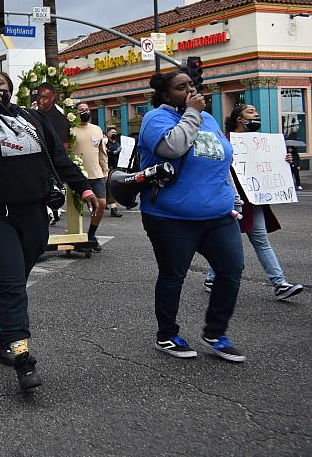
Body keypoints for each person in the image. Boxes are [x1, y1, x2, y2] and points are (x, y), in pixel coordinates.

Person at [0, 70, 98, 391]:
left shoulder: (31, 118)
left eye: (0, 83)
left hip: (32, 214)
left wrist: (84, 189)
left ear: (11, 88)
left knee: (15, 281)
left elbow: (58, 159)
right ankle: (22, 357)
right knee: (12, 284)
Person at [138, 70, 246, 363]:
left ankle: (215, 331)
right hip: (171, 217)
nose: (190, 89)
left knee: (231, 269)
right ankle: (167, 335)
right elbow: (173, 147)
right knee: (174, 275)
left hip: (218, 215)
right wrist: (191, 113)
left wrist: (233, 199)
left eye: (192, 85)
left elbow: (222, 160)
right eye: (180, 87)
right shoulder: (156, 119)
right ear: (165, 95)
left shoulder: (208, 119)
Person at [203, 104, 303, 300]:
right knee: (225, 240)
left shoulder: (263, 143)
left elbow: (268, 166)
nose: (256, 114)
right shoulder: (224, 140)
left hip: (254, 199)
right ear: (239, 119)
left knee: (260, 239)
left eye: (256, 112)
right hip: (230, 199)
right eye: (250, 112)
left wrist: (283, 161)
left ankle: (279, 283)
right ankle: (212, 277)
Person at [72, 103, 109, 250]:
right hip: (78, 175)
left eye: (87, 110)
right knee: (76, 208)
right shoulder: (71, 130)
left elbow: (102, 152)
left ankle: (91, 235)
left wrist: (105, 170)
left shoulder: (97, 129)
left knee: (101, 204)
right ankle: (78, 238)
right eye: (81, 110)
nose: (85, 112)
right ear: (75, 113)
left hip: (96, 174)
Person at [35, 82, 71, 224]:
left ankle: (52, 211)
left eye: (44, 97)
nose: (40, 100)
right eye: (39, 97)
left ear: (53, 99)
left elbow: (64, 146)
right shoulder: (35, 115)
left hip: (50, 163)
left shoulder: (59, 119)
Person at [105, 127, 123, 217]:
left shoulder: (117, 144)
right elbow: (108, 154)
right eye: (112, 132)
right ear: (107, 134)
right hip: (108, 168)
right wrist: (115, 152)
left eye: (115, 132)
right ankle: (113, 208)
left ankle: (106, 203)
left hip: (117, 167)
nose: (114, 134)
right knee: (109, 187)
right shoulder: (105, 144)